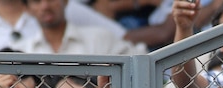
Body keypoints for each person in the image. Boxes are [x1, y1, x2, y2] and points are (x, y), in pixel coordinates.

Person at [10, 0, 145, 55]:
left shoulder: (100, 38)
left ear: (66, 1)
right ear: (27, 9)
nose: (45, 6)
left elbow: (140, 62)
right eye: (37, 1)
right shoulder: (22, 51)